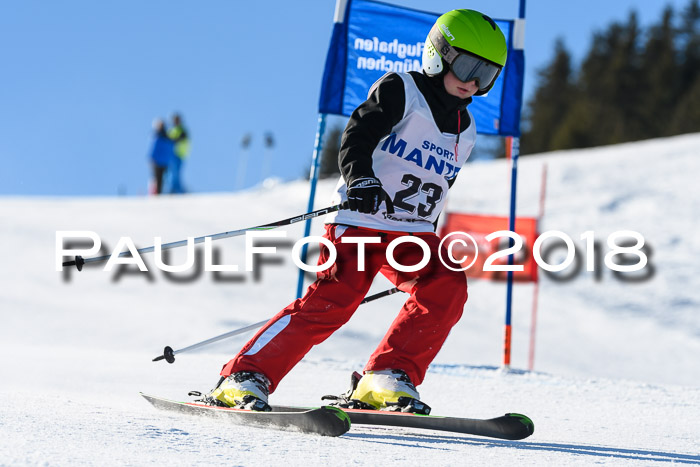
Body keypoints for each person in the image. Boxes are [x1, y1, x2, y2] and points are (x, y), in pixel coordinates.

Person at [205, 9, 508, 412]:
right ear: (440, 53)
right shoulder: (403, 90)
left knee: (446, 285)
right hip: (361, 220)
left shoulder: (465, 129)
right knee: (335, 299)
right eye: (469, 66)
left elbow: (439, 185)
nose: (473, 82)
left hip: (413, 233)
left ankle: (387, 376)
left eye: (487, 75)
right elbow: (358, 134)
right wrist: (362, 179)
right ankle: (244, 375)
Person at [148, 118, 174, 195]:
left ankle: (157, 193)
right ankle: (160, 192)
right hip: (165, 161)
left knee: (157, 178)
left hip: (158, 161)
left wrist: (151, 157)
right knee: (162, 179)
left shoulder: (157, 136)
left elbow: (154, 148)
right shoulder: (168, 137)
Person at [168, 113, 190, 194]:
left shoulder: (182, 130)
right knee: (171, 174)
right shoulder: (172, 130)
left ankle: (178, 190)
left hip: (179, 154)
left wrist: (174, 140)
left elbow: (181, 139)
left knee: (176, 173)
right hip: (172, 154)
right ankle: (174, 189)